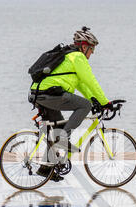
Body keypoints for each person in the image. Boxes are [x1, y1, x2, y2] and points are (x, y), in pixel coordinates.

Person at [29, 26, 113, 181]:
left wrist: (95, 100)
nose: (91, 54)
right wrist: (105, 102)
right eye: (91, 49)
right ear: (84, 46)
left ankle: (46, 169)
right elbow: (91, 82)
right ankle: (63, 139)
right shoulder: (78, 57)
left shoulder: (69, 56)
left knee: (58, 129)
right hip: (49, 94)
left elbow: (82, 84)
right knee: (84, 106)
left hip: (39, 94)